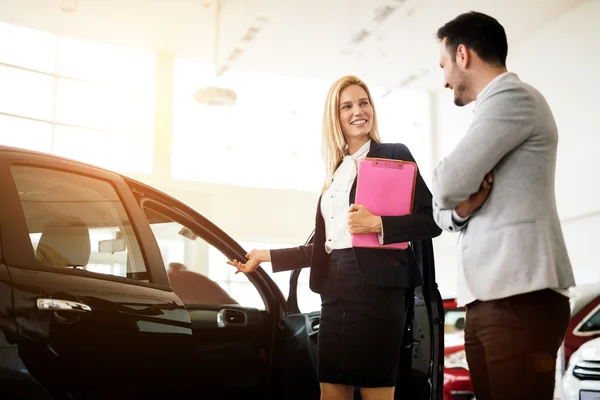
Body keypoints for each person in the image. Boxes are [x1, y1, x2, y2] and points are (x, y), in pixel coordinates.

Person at [227, 75, 441, 400]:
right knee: (331, 391)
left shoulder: (394, 154)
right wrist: (263, 255)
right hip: (334, 292)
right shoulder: (336, 171)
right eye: (347, 106)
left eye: (364, 102)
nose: (358, 111)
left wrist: (378, 224)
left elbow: (431, 220)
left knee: (375, 391)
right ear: (336, 116)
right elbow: (323, 246)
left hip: (378, 294)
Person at [431, 11, 576, 400]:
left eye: (443, 65)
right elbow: (443, 208)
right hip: (491, 301)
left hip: (519, 300)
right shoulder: (490, 113)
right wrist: (463, 208)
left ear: (463, 55)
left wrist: (454, 198)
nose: (443, 80)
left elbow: (445, 184)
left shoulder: (513, 99)